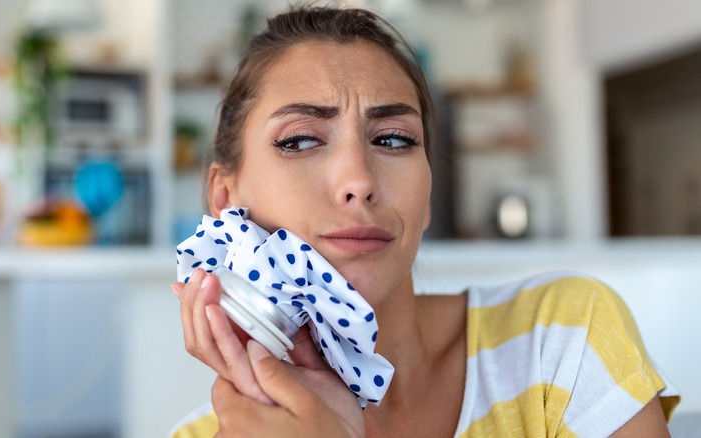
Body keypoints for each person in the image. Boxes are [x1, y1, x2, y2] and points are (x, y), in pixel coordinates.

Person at [170, 6, 679, 437]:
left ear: (427, 195)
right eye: (299, 140)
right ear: (225, 198)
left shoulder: (564, 338)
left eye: (393, 139)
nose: (359, 180)